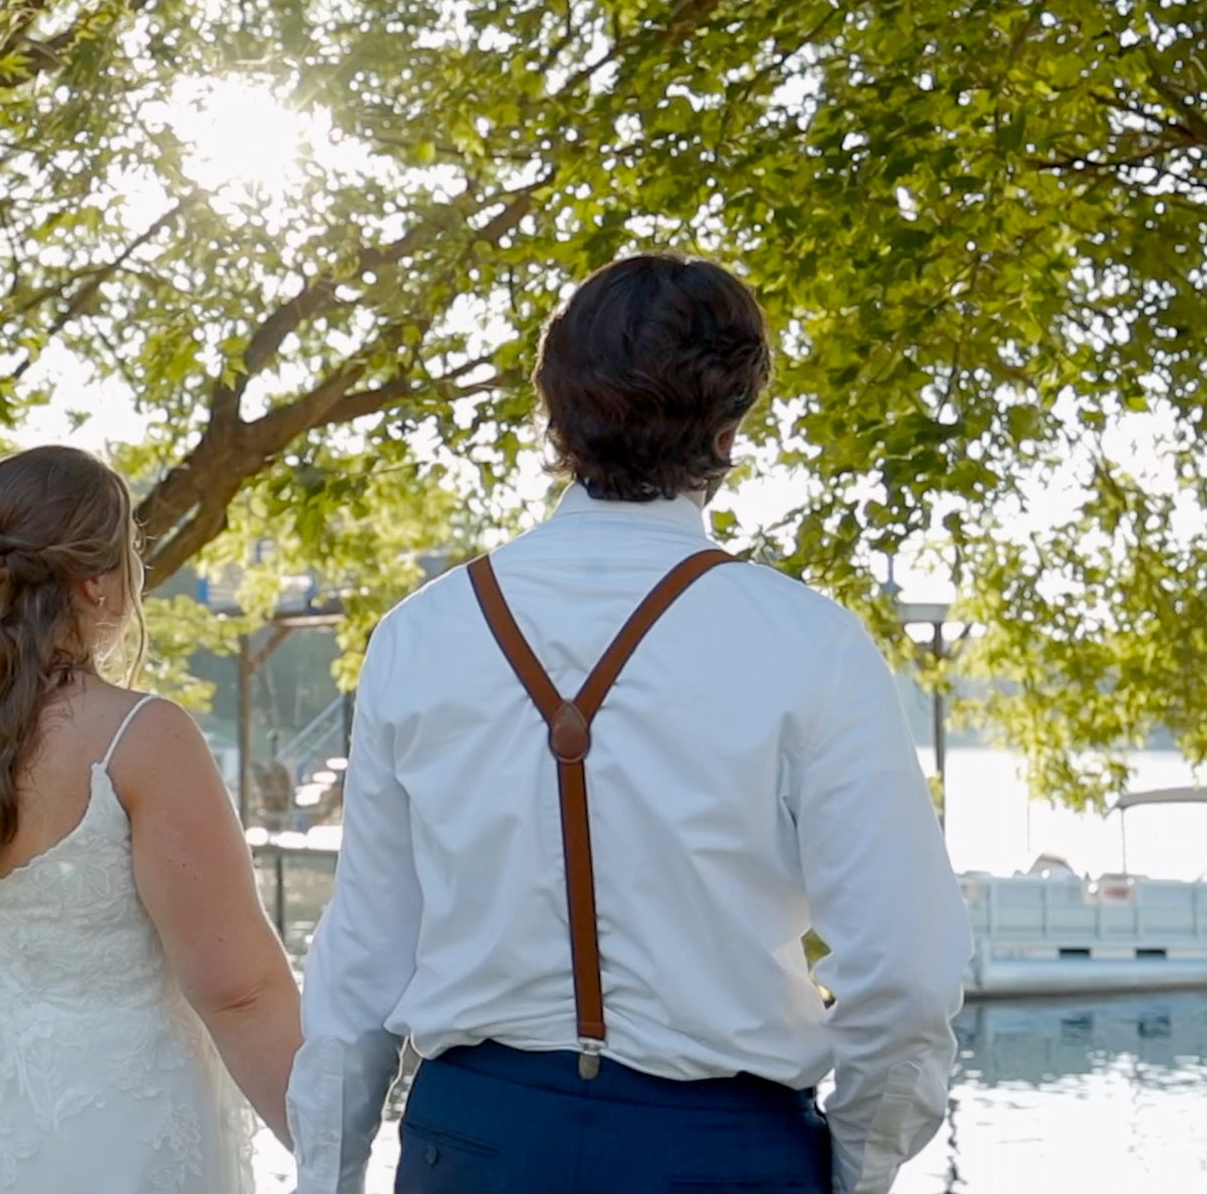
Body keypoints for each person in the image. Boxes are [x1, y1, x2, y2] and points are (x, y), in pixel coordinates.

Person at [289, 252, 971, 1194]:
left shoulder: (420, 634)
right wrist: (854, 1169)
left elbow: (361, 961)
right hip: (723, 1152)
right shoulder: (808, 642)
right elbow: (907, 978)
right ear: (730, 429)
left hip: (475, 1146)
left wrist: (328, 1179)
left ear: (553, 411)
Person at [0, 444, 301, 1194]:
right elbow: (240, 990)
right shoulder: (139, 739)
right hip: (106, 1144)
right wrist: (340, 1147)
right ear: (97, 582)